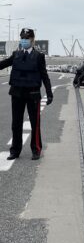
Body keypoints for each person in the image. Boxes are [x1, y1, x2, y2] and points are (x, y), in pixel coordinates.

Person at [0, 28, 53, 160]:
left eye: (27, 39)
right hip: (17, 93)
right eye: (22, 38)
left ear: (32, 40)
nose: (24, 41)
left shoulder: (39, 57)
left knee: (35, 123)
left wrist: (49, 93)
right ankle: (15, 150)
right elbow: (4, 63)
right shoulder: (16, 54)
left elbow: (44, 76)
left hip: (33, 94)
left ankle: (36, 149)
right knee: (16, 123)